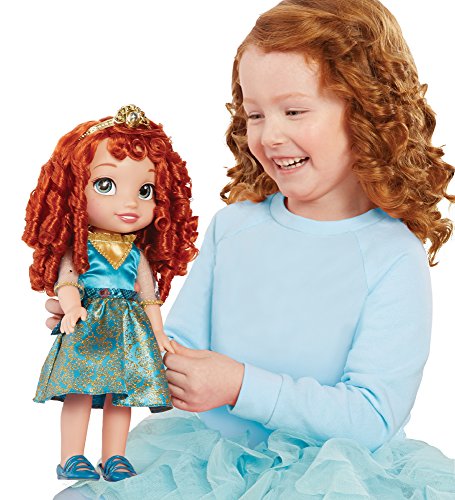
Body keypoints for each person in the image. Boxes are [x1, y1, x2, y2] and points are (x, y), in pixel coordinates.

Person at [54, 0, 455, 498]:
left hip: (333, 479)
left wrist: (241, 386)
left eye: (294, 111)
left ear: (366, 111)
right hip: (203, 467)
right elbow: (175, 349)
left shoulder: (392, 254)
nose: (270, 135)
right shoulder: (234, 228)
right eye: (256, 114)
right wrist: (106, 324)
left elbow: (372, 415)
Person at [23, 105, 198, 483]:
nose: (130, 202)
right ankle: (71, 456)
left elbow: (149, 296)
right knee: (80, 391)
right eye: (106, 185)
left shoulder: (137, 253)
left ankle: (114, 456)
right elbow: (68, 280)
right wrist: (72, 307)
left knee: (124, 394)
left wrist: (158, 331)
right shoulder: (80, 245)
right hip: (88, 324)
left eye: (145, 190)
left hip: (129, 330)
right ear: (73, 190)